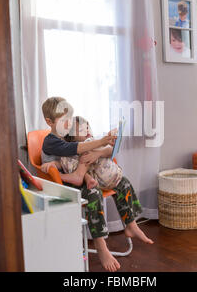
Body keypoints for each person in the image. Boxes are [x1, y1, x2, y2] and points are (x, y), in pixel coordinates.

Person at [40, 98, 153, 272]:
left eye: (69, 119)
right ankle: (101, 247)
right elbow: (76, 150)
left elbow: (92, 150)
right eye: (64, 121)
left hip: (82, 177)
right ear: (49, 122)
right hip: (64, 184)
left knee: (122, 182)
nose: (69, 124)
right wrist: (102, 142)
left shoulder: (69, 134)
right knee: (94, 194)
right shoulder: (52, 141)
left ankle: (131, 224)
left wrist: (99, 150)